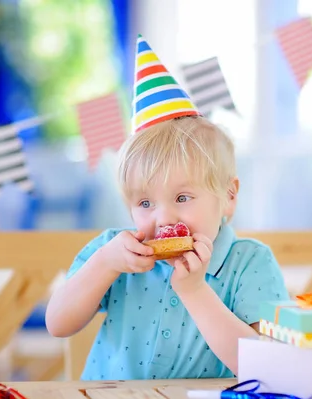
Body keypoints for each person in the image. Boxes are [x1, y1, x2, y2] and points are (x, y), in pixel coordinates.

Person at [45, 34, 289, 381]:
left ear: (229, 196)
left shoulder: (249, 263)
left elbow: (264, 367)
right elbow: (57, 324)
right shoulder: (113, 253)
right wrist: (105, 264)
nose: (164, 219)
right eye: (145, 203)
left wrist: (194, 290)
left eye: (182, 198)